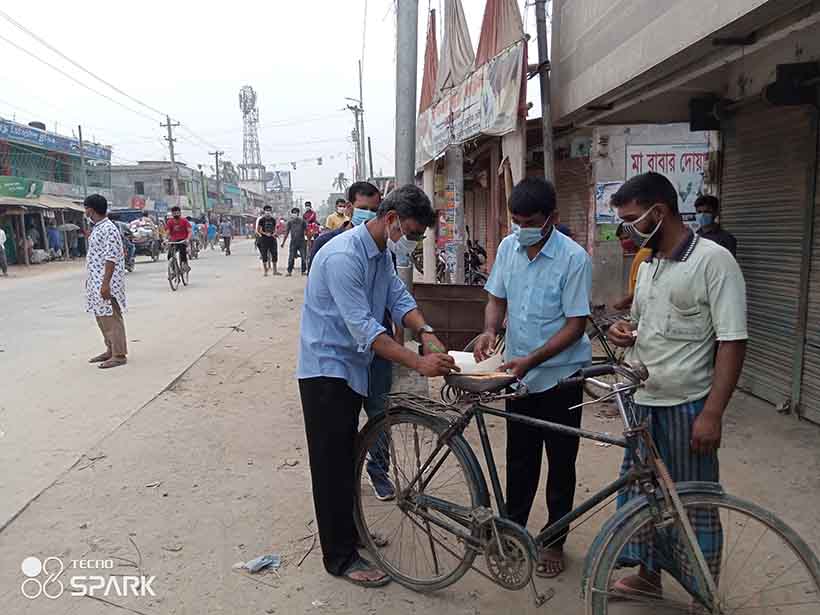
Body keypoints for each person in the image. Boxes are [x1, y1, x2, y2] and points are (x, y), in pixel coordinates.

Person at [297, 183, 457, 587]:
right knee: (331, 467)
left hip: (353, 367)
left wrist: (427, 333)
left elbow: (399, 300)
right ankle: (340, 558)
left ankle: (353, 536)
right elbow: (366, 329)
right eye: (412, 233)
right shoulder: (343, 257)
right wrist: (418, 362)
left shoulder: (382, 253)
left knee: (349, 459)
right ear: (391, 219)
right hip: (326, 370)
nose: (413, 241)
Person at [606, 172, 747, 598]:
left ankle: (704, 594)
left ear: (659, 211)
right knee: (644, 498)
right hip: (642, 402)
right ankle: (648, 578)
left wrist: (713, 413)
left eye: (631, 219)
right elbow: (646, 323)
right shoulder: (649, 263)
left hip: (686, 407)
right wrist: (626, 331)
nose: (627, 229)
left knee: (692, 506)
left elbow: (732, 340)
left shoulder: (714, 261)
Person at [474, 177, 592, 579]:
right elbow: (497, 297)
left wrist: (532, 360)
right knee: (519, 459)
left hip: (562, 377)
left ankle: (555, 540)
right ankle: (514, 530)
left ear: (551, 218)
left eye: (530, 222)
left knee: (561, 462)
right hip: (518, 377)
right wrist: (490, 330)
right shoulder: (509, 248)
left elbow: (575, 325)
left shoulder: (573, 258)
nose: (521, 228)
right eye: (516, 220)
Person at [309, 182, 394, 498]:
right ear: (348, 207)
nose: (369, 215)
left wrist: (416, 332)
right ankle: (346, 482)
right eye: (363, 209)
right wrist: (416, 360)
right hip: (342, 351)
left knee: (380, 411)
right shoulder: (332, 247)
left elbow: (395, 295)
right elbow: (328, 302)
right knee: (342, 423)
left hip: (380, 343)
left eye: (374, 209)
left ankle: (378, 471)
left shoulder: (385, 247)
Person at [83, 194, 128, 369]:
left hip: (107, 281)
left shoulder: (109, 229)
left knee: (111, 317)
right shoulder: (98, 228)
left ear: (91, 210)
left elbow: (111, 258)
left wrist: (105, 283)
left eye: (86, 208)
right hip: (96, 280)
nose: (85, 211)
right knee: (102, 317)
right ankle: (110, 349)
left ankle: (119, 354)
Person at [613, 222, 653, 311]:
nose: (623, 242)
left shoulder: (644, 253)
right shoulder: (641, 253)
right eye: (621, 239)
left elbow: (640, 288)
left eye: (626, 238)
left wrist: (623, 303)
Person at [283, 207, 308, 276]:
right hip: (293, 242)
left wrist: (308, 240)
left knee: (303, 257)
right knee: (291, 257)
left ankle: (303, 271)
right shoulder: (290, 222)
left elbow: (307, 231)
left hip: (302, 242)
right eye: (293, 213)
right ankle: (289, 271)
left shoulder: (302, 222)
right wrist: (283, 242)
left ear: (298, 214)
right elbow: (287, 232)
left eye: (295, 213)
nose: (294, 214)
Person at [166, 206, 192, 271]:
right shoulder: (169, 222)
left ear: (180, 213)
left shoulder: (184, 221)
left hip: (182, 240)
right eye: (174, 213)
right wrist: (166, 239)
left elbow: (189, 231)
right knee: (169, 255)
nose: (176, 214)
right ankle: (173, 269)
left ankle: (184, 264)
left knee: (182, 251)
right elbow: (168, 232)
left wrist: (187, 239)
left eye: (177, 213)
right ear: (172, 214)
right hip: (173, 241)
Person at [256, 205, 280, 276]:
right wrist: (265, 234)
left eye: (269, 211)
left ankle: (275, 271)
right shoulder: (261, 220)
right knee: (264, 255)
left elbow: (275, 228)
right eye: (266, 210)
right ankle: (265, 271)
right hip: (264, 239)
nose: (268, 212)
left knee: (274, 254)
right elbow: (259, 230)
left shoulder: (273, 220)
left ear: (271, 211)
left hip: (272, 239)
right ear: (264, 211)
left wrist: (274, 233)